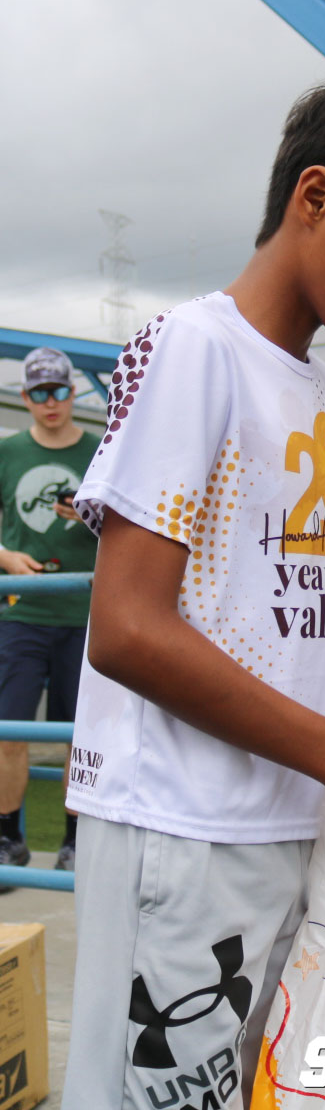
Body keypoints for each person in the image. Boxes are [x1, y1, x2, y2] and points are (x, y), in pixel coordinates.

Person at [61, 75, 325, 1110]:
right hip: (180, 829)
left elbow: (302, 638)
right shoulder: (193, 350)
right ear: (317, 196)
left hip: (286, 830)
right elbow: (125, 630)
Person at [0, 347, 99, 880]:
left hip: (85, 613)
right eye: (39, 392)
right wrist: (6, 558)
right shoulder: (8, 451)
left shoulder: (101, 448)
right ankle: (8, 837)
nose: (51, 402)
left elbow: (130, 521)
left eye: (60, 390)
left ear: (72, 393)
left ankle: (74, 842)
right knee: (10, 730)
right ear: (26, 398)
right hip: (22, 610)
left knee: (78, 735)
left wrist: (87, 513)